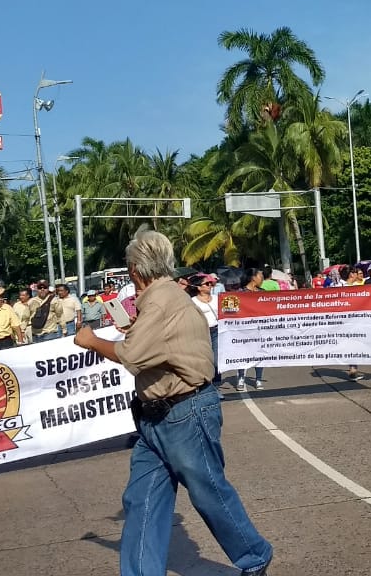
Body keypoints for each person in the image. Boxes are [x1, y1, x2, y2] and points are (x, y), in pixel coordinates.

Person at [72, 230, 273, 576]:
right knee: (142, 500)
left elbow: (131, 355)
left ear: (136, 269)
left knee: (207, 491)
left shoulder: (161, 299)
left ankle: (254, 557)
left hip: (184, 410)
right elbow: (153, 344)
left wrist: (90, 341)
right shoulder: (166, 297)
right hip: (159, 415)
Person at [235, 268, 266, 391]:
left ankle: (258, 379)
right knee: (243, 354)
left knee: (259, 354)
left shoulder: (263, 292)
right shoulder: (240, 293)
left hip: (260, 329)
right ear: (253, 278)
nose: (262, 278)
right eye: (260, 276)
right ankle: (241, 377)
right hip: (244, 329)